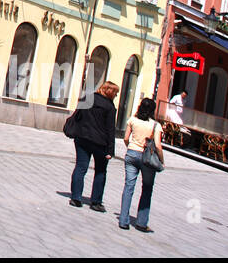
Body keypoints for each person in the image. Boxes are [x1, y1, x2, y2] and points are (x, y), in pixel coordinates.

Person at [67, 80, 119, 212]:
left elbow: (77, 115)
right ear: (110, 92)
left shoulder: (87, 98)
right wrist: (110, 150)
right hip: (100, 143)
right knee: (100, 171)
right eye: (116, 93)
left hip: (82, 138)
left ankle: (76, 197)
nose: (116, 96)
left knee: (80, 167)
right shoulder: (109, 107)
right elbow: (110, 130)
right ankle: (96, 202)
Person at [119, 97, 163, 232]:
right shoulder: (155, 125)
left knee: (128, 187)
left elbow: (126, 138)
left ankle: (123, 221)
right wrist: (161, 160)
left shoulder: (132, 120)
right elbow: (157, 145)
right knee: (147, 189)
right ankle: (142, 222)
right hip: (147, 159)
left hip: (131, 153)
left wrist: (130, 147)